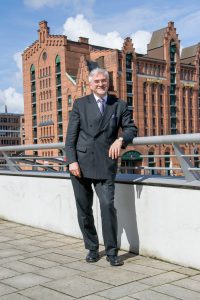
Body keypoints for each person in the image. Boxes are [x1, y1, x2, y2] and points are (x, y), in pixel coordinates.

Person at [65, 67, 137, 266]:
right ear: (90, 84)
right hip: (80, 164)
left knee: (107, 207)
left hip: (105, 164)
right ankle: (92, 248)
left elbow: (131, 128)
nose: (100, 84)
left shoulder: (119, 105)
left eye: (103, 81)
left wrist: (121, 140)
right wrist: (72, 161)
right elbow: (70, 137)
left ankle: (112, 251)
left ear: (108, 82)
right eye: (96, 81)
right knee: (84, 209)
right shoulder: (80, 104)